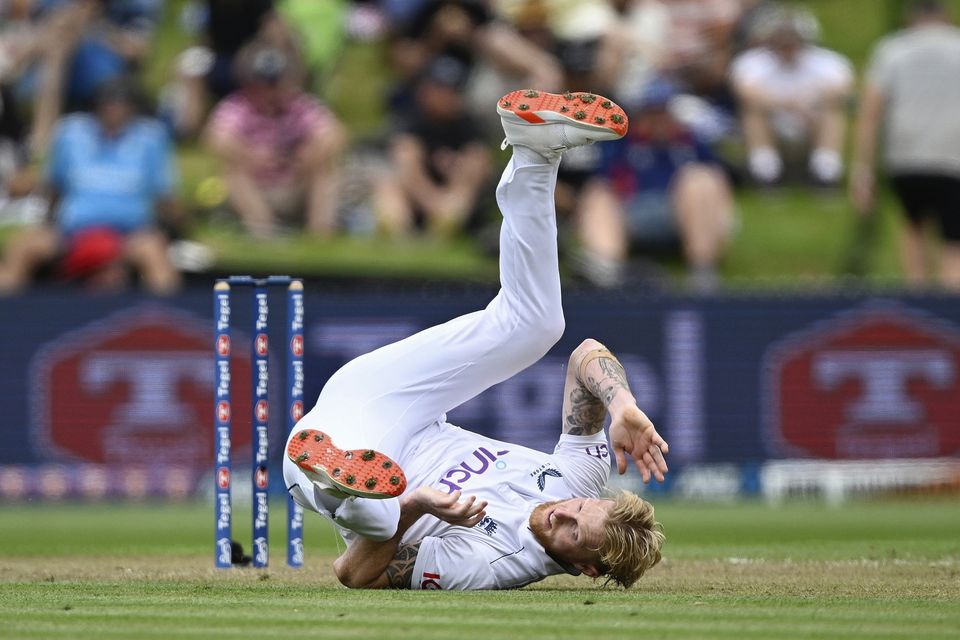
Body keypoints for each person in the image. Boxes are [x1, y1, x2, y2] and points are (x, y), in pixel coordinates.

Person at [283, 89, 669, 591]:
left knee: (377, 515)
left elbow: (354, 575)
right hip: (391, 400)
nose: (563, 518)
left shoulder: (494, 563)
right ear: (597, 498)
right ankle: (534, 150)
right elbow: (585, 355)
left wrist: (417, 503)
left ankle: (340, 479)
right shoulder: (581, 480)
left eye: (575, 536)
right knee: (538, 326)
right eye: (579, 511)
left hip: (344, 445)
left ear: (587, 569)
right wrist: (622, 405)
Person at [0, 78, 180, 294]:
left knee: (154, 253)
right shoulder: (71, 133)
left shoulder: (151, 137)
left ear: (132, 107)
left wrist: (174, 226)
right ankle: (7, 318)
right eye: (108, 104)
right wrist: (49, 220)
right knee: (23, 247)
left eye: (120, 104)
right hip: (72, 233)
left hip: (129, 235)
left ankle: (164, 320)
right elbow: (54, 187)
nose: (113, 110)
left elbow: (164, 195)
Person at [576, 80, 734, 291]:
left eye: (662, 112)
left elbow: (719, 180)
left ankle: (703, 273)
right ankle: (605, 270)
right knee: (599, 192)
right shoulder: (622, 144)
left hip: (683, 216)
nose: (658, 119)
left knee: (700, 179)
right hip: (633, 215)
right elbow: (601, 182)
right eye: (652, 112)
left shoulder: (691, 142)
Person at [850, 0, 960, 290]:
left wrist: (863, 170)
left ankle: (918, 294)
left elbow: (871, 111)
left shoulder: (891, 49)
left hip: (905, 156)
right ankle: (951, 311)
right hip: (952, 156)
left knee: (913, 225)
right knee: (953, 240)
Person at [204, 41, 346, 238]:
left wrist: (310, 154)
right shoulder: (237, 106)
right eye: (263, 83)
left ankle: (321, 233)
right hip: (256, 188)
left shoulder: (300, 105)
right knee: (232, 170)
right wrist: (250, 155)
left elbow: (334, 134)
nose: (269, 89)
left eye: (275, 82)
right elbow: (217, 139)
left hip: (294, 184)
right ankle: (264, 231)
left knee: (326, 169)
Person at [730, 5, 852, 185]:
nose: (788, 48)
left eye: (793, 41)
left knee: (832, 112)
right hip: (773, 122)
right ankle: (766, 173)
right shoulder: (753, 62)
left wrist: (810, 105)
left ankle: (826, 173)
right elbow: (746, 92)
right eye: (782, 41)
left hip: (811, 120)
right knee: (753, 112)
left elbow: (841, 89)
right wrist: (785, 105)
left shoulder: (827, 62)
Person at [373, 56, 491, 237]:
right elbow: (404, 166)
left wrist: (455, 166)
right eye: (439, 88)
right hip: (419, 198)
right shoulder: (409, 119)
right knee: (394, 173)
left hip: (455, 200)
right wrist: (435, 203)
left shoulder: (468, 124)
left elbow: (480, 166)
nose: (445, 95)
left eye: (451, 89)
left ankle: (446, 222)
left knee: (476, 160)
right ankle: (400, 234)